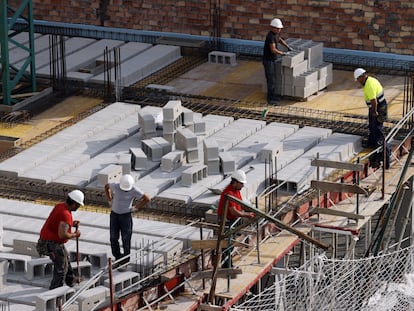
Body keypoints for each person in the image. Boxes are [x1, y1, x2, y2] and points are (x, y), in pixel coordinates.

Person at [36, 189, 84, 289]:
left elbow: (59, 223)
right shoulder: (66, 214)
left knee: (65, 259)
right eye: (78, 205)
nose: (78, 207)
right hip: (51, 244)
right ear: (74, 204)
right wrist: (75, 234)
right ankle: (56, 290)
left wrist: (71, 223)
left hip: (49, 241)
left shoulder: (60, 206)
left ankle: (71, 280)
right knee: (61, 268)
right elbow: (63, 235)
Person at [105, 174, 150, 266]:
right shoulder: (116, 185)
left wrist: (136, 207)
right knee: (113, 237)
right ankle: (117, 256)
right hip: (114, 215)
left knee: (126, 239)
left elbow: (147, 198)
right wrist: (109, 199)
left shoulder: (134, 190)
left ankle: (125, 259)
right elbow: (106, 187)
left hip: (125, 216)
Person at [217, 170, 255, 267]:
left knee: (230, 242)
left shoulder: (236, 191)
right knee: (227, 244)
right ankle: (227, 266)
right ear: (235, 182)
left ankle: (228, 263)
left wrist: (251, 210)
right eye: (241, 184)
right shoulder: (228, 193)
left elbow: (240, 204)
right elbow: (233, 211)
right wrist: (247, 215)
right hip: (226, 222)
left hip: (232, 220)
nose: (242, 186)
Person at [354, 68, 390, 169]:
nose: (358, 81)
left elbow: (374, 101)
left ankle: (383, 158)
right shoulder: (371, 80)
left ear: (361, 77)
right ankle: (371, 145)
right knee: (372, 127)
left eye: (358, 79)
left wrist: (374, 112)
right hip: (379, 107)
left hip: (378, 108)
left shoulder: (369, 85)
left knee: (377, 130)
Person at [262, 17, 292, 106]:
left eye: (280, 29)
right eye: (277, 28)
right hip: (268, 61)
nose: (279, 30)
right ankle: (270, 99)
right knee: (271, 80)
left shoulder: (275, 34)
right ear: (272, 27)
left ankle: (273, 96)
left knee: (274, 80)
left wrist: (287, 46)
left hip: (272, 60)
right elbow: (273, 50)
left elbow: (279, 39)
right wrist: (283, 53)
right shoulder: (270, 36)